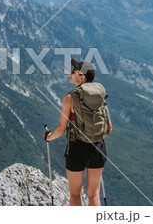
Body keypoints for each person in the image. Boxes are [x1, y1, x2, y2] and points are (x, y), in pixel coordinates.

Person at [44, 59, 112, 206]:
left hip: (78, 148)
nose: (70, 73)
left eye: (74, 72)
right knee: (94, 195)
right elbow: (109, 127)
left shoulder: (70, 97)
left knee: (75, 194)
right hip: (99, 148)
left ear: (82, 78)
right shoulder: (99, 94)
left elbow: (61, 129)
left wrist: (48, 137)